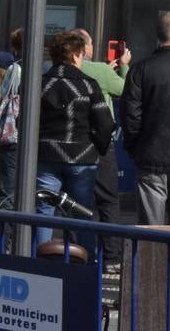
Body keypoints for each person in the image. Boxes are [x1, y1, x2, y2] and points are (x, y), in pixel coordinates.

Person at [36, 30, 114, 249]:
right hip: (82, 157)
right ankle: (85, 266)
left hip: (46, 155)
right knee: (81, 212)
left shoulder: (39, 83)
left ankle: (41, 263)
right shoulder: (89, 84)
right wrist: (97, 148)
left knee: (44, 211)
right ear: (77, 55)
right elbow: (105, 124)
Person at [121, 11, 170, 226]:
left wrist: (135, 147)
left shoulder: (140, 70)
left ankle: (150, 261)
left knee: (150, 229)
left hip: (150, 157)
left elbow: (130, 116)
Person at [73, 28, 129, 264]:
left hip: (73, 143)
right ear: (85, 48)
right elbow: (124, 90)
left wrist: (108, 69)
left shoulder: (67, 69)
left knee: (76, 201)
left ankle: (82, 252)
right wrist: (123, 66)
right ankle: (112, 256)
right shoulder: (101, 70)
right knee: (108, 199)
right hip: (101, 143)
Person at [0, 28, 24, 204]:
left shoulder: (15, 69)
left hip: (13, 135)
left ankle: (6, 229)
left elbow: (2, 95)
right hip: (36, 138)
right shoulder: (44, 68)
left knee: (7, 186)